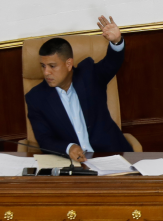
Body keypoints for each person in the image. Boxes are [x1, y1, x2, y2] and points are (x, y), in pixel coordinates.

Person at [25, 15, 133, 162]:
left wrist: (116, 42)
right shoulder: (36, 98)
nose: (46, 73)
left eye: (52, 66)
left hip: (110, 155)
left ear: (69, 64)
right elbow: (44, 139)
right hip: (73, 164)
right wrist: (68, 147)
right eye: (43, 66)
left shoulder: (89, 75)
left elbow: (111, 64)